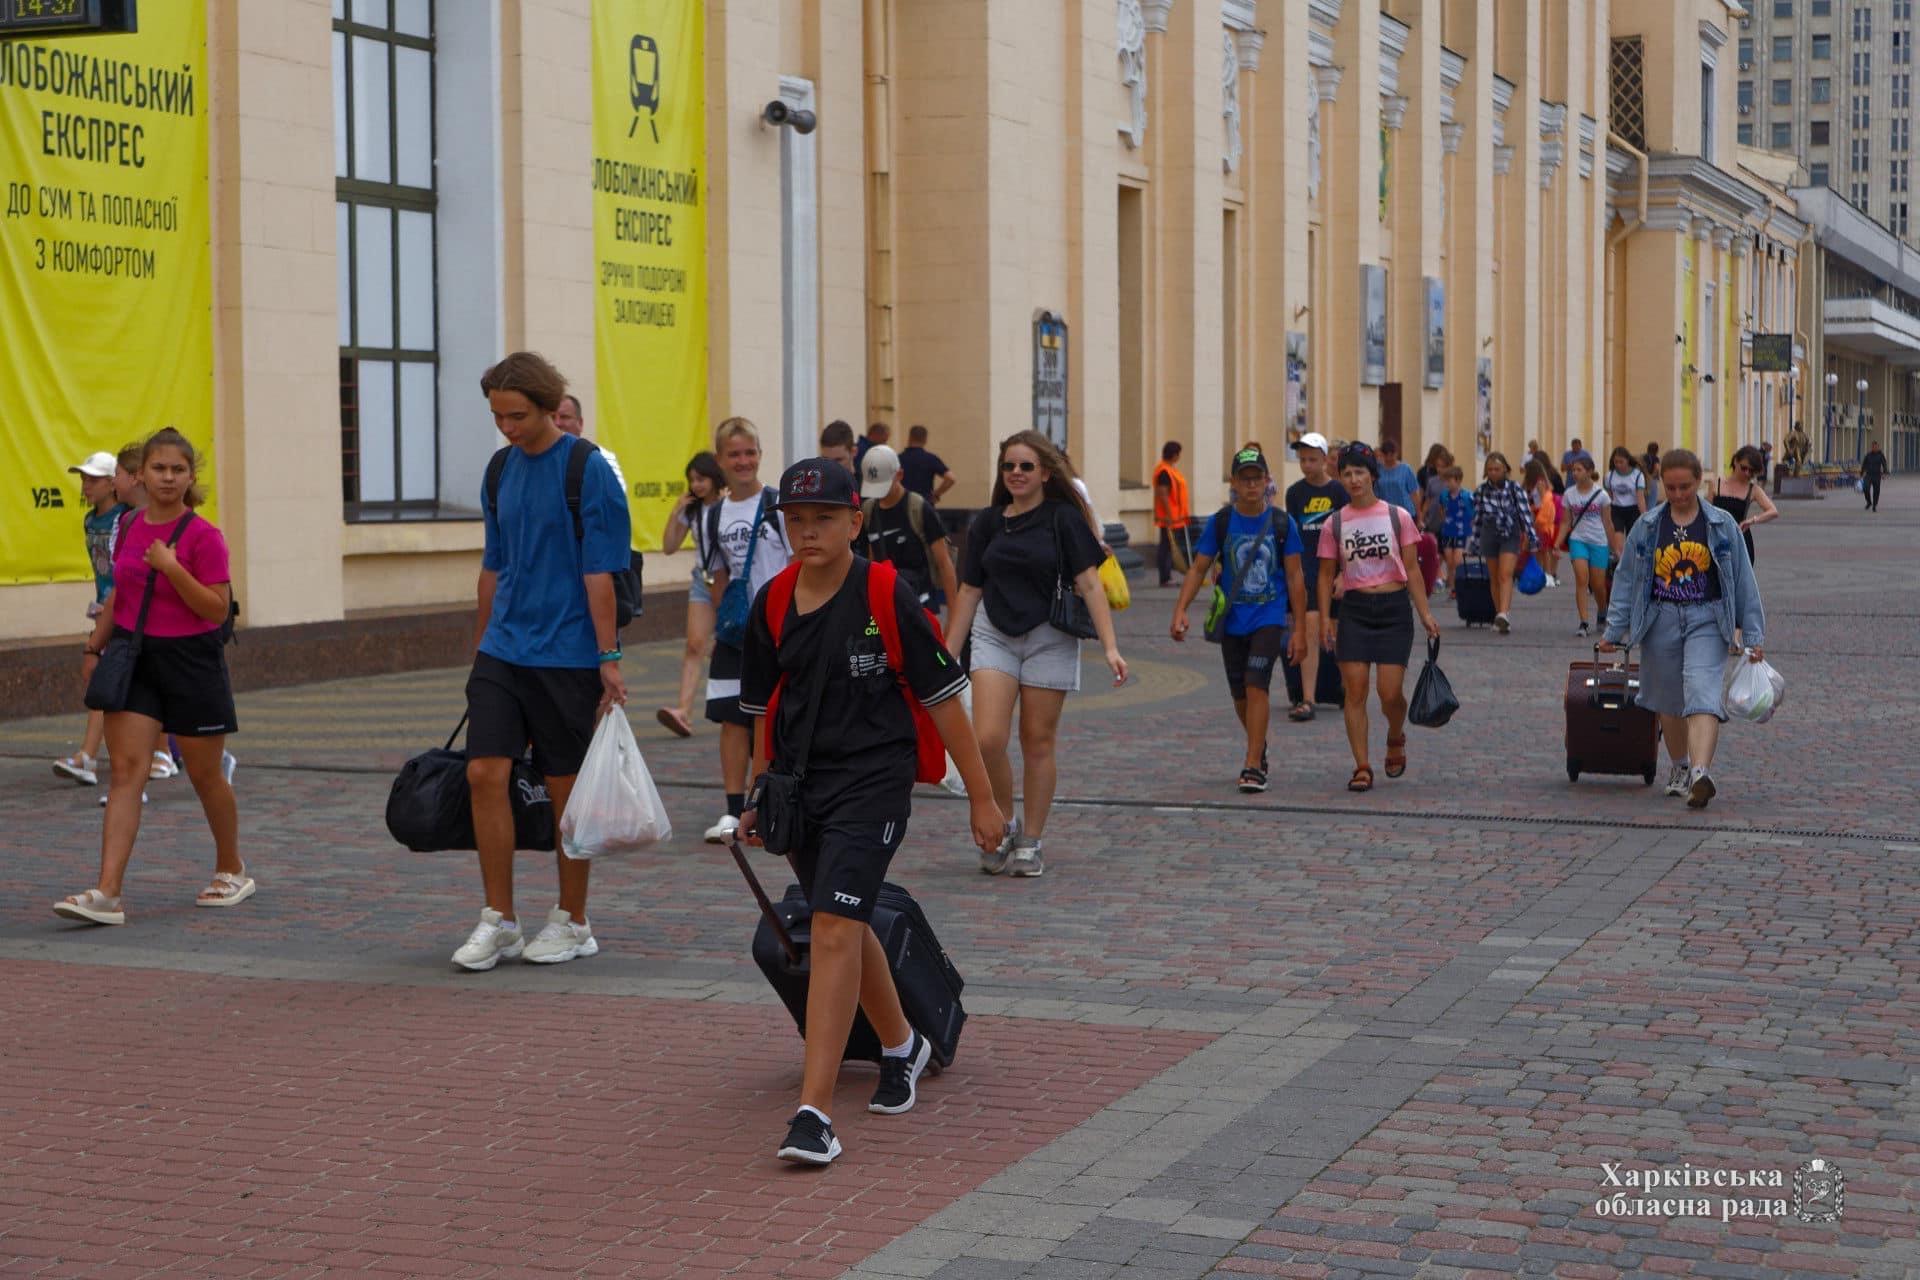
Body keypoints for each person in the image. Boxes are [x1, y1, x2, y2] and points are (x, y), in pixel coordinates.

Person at [738, 458, 1000, 1166]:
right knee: (843, 921)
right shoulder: (770, 602)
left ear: (857, 521)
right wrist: (754, 796)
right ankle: (901, 1043)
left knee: (831, 927)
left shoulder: (887, 592)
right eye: (795, 520)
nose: (808, 531)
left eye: (824, 518)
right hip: (802, 789)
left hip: (874, 784)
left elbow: (945, 701)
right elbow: (763, 711)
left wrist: (982, 797)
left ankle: (815, 1114)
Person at [450, 353, 631, 971]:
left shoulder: (587, 470)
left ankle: (573, 920)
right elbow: (493, 565)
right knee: (483, 774)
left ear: (551, 407)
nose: (507, 427)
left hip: (568, 652)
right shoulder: (499, 470)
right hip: (504, 649)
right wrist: (479, 649)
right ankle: (498, 919)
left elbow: (601, 572)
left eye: (518, 415)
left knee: (565, 791)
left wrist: (608, 657)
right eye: (498, 415)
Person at [55, 429, 249, 927]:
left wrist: (172, 568)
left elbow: (217, 608)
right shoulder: (130, 527)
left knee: (206, 776)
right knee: (126, 773)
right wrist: (95, 645)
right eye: (158, 469)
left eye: (177, 470)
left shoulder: (205, 537)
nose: (167, 478)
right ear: (141, 475)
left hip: (192, 661)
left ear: (190, 477)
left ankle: (232, 866)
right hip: (136, 657)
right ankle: (107, 892)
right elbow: (120, 591)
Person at [946, 431, 1127, 878]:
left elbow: (1089, 583)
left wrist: (1111, 647)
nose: (1016, 474)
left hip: (1050, 635)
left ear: (1046, 472)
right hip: (994, 634)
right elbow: (969, 590)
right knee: (987, 737)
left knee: (1036, 740)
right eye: (1009, 466)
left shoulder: (1063, 518)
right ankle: (1005, 821)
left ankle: (1032, 839)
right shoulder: (987, 523)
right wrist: (947, 654)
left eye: (1026, 466)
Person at [1601, 448, 1767, 810]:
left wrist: (1752, 635)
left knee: (1702, 690)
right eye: (1672, 488)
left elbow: (1743, 581)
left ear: (1699, 482)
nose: (1678, 495)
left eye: (1686, 487)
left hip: (1707, 617)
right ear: (1663, 484)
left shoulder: (1721, 524)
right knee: (1667, 699)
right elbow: (1627, 580)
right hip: (1659, 618)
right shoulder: (1647, 527)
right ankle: (1679, 767)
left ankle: (1700, 773)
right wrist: (1613, 632)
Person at [1168, 447, 1306, 793]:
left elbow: (1295, 578)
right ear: (1234, 482)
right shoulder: (1222, 522)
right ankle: (1258, 748)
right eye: (1245, 479)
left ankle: (1252, 762)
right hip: (1231, 619)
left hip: (1269, 617)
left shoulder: (1281, 523)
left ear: (1266, 481)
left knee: (1256, 683)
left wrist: (1300, 630)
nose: (1251, 485)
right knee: (1239, 694)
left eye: (1257, 478)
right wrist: (1180, 608)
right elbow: (1199, 567)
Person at [1317, 443, 1441, 793]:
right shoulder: (1335, 523)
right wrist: (1326, 618)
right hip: (1354, 610)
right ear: (1340, 478)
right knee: (1354, 691)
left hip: (1393, 610)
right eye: (1347, 473)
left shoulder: (1396, 516)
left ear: (1373, 475)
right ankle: (1362, 766)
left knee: (1390, 693)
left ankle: (1394, 734)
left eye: (1359, 472)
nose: (1353, 479)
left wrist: (1426, 614)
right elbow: (1325, 575)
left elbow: (1413, 571)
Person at [702, 418, 793, 844]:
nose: (743, 461)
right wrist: (722, 623)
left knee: (771, 715)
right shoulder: (714, 515)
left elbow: (798, 565)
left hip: (779, 627)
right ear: (720, 460)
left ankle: (771, 801)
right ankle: (732, 808)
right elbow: (718, 574)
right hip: (737, 633)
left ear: (760, 454)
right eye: (734, 454)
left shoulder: (779, 506)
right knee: (731, 719)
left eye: (750, 452)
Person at [52, 452, 133, 790]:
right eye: (83, 479)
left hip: (125, 611)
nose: (85, 486)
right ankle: (96, 756)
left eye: (93, 479)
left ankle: (91, 756)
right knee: (111, 685)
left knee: (111, 683)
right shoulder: (89, 520)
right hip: (106, 609)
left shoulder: (125, 519)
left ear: (112, 483)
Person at [656, 451, 727, 737]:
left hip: (728, 580)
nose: (697, 485)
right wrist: (676, 512)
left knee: (737, 645)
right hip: (702, 578)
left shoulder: (728, 503)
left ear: (713, 477)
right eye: (692, 480)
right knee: (694, 645)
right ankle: (683, 711)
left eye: (702, 479)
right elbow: (669, 547)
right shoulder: (692, 509)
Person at [1280, 433, 1347, 722]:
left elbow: (1347, 534)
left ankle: (1346, 689)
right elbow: (1292, 535)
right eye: (1302, 459)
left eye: (1312, 459)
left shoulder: (1339, 493)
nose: (1306, 465)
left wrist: (1345, 574)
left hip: (1333, 570)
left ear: (1324, 460)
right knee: (1307, 627)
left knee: (1337, 632)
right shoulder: (1295, 493)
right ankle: (1308, 697)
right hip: (1306, 570)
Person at [860, 444, 959, 622]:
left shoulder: (918, 508)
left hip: (921, 604)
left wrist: (954, 617)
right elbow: (871, 557)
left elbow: (944, 564)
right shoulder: (868, 511)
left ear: (899, 475)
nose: (879, 494)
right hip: (884, 604)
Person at [1471, 452, 1537, 634]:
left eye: (1497, 469)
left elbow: (1525, 515)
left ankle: (1503, 614)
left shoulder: (1515, 489)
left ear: (1505, 470)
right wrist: (1474, 543)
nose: (1493, 473)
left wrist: (1532, 538)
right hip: (1489, 533)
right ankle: (1500, 613)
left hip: (1510, 533)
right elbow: (1477, 518)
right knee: (1494, 577)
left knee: (1505, 574)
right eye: (1490, 469)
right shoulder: (1481, 491)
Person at [1555, 453, 1612, 637]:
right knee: (1581, 579)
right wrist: (1557, 543)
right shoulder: (1569, 494)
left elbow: (1607, 522)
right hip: (1578, 540)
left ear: (1589, 471)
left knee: (1598, 585)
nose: (1574, 473)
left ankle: (1602, 612)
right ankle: (1584, 622)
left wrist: (1615, 546)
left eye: (1578, 470)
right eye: (1573, 470)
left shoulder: (1602, 495)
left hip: (1599, 541)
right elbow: (1565, 522)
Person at [1711, 446, 1779, 564]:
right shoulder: (1716, 483)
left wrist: (1752, 520)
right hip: (1717, 539)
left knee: (1741, 581)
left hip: (1740, 541)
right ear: (1735, 461)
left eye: (1751, 471)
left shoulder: (1753, 489)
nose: (1747, 473)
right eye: (1744, 468)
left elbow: (1773, 511)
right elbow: (1707, 513)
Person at [554, 394, 627, 492]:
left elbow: (617, 502)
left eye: (564, 417)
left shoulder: (605, 458)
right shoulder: (539, 460)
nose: (557, 423)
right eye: (552, 417)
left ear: (580, 423)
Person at [1152, 441, 1191, 587]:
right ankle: (1165, 577)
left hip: (1176, 517)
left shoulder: (1170, 470)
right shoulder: (1164, 472)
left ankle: (1167, 575)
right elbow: (1163, 494)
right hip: (1169, 517)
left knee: (1168, 546)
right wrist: (1168, 514)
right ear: (1174, 455)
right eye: (1178, 454)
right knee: (1166, 547)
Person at [1604, 445, 1648, 562]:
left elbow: (1640, 498)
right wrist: (1606, 514)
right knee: (1618, 544)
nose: (1618, 465)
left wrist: (1645, 517)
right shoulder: (1610, 475)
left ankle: (1635, 564)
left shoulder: (1637, 475)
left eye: (1621, 462)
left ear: (1628, 460)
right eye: (1616, 462)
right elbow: (1609, 497)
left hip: (1633, 510)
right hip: (1617, 510)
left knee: (1634, 541)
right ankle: (1620, 567)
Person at [1524, 457, 1563, 588]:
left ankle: (1547, 574)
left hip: (1543, 518)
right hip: (1538, 516)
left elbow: (1544, 501)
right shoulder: (1537, 482)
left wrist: (1533, 509)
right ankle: (1543, 573)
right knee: (1540, 548)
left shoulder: (1540, 483)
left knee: (1545, 548)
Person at [1436, 466, 1475, 592]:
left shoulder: (1467, 496)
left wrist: (1471, 525)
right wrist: (1444, 520)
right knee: (1449, 561)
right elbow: (1441, 509)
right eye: (1445, 481)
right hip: (1447, 531)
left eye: (1449, 480)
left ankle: (1457, 588)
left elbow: (1474, 512)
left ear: (1458, 480)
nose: (1447, 483)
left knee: (1458, 561)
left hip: (1462, 532)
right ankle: (1452, 586)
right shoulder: (1444, 495)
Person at [897, 424, 956, 504]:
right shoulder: (931, 458)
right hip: (924, 505)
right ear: (925, 440)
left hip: (902, 505)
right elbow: (951, 478)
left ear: (909, 438)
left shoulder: (897, 459)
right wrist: (936, 494)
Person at [1373, 439, 1420, 518]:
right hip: (1385, 514)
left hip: (1406, 513)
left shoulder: (1405, 469)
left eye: (1392, 454)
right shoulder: (1378, 470)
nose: (1389, 458)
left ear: (1397, 453)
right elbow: (1375, 494)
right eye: (1386, 455)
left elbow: (1414, 494)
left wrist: (1419, 517)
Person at [1416, 444, 1454, 533]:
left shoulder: (1452, 482)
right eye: (1438, 466)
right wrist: (1421, 518)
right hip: (1432, 521)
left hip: (1447, 522)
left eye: (1443, 466)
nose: (1440, 469)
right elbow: (1427, 502)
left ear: (1448, 466)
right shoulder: (1431, 481)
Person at [1861, 439, 1889, 512]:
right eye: (1873, 447)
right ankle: (1869, 502)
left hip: (1877, 475)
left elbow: (1884, 464)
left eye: (1876, 447)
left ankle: (1874, 505)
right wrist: (1861, 473)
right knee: (1865, 488)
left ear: (1878, 447)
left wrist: (1884, 473)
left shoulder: (1881, 455)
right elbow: (1864, 464)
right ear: (1872, 447)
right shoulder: (1868, 455)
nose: (1874, 448)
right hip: (1868, 475)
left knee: (1876, 491)